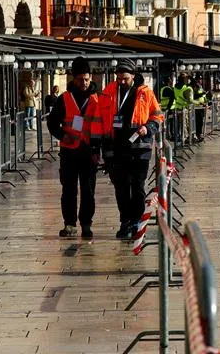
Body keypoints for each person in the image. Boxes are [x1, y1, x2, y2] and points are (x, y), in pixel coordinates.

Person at [99, 58, 164, 240]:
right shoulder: (109, 92)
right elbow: (101, 118)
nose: (121, 82)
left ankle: (136, 221)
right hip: (116, 148)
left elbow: (158, 116)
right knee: (120, 187)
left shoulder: (145, 93)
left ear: (133, 77)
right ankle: (125, 221)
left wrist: (148, 128)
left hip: (139, 148)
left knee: (137, 187)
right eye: (118, 78)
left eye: (125, 78)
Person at [46, 57, 105, 240]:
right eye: (81, 79)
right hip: (69, 151)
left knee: (88, 191)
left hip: (89, 152)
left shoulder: (98, 99)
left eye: (87, 79)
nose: (84, 83)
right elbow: (52, 122)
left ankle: (86, 224)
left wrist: (98, 150)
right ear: (73, 78)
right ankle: (69, 224)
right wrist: (62, 135)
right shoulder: (64, 98)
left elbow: (102, 126)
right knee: (69, 189)